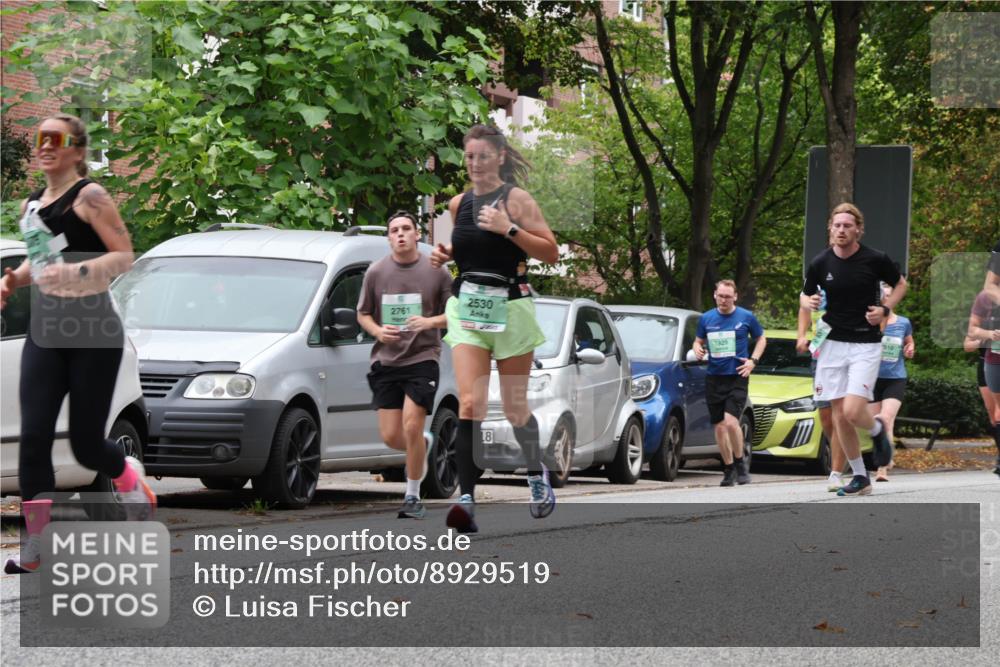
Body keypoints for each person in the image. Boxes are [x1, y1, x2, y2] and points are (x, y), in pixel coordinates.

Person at [0, 114, 155, 574]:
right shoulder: (33, 203)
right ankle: (35, 545)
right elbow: (42, 263)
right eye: (39, 138)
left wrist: (80, 272)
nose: (44, 146)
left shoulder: (91, 197)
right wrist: (11, 281)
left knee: (87, 446)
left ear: (77, 150)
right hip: (46, 335)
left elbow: (124, 256)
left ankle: (127, 474)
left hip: (93, 334)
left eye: (56, 138)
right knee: (34, 439)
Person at [430, 124, 559, 533]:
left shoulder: (516, 199)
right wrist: (446, 254)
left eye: (483, 156)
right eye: (469, 157)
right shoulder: (457, 204)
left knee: (516, 407)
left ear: (500, 157)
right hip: (469, 308)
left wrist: (510, 229)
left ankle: (536, 476)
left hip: (512, 309)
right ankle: (466, 501)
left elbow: (551, 252)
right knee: (470, 404)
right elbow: (466, 250)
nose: (475, 164)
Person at [800, 202, 907, 497]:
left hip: (865, 343)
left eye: (847, 225)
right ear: (830, 229)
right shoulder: (820, 263)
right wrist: (807, 304)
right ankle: (860, 476)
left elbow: (900, 285)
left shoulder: (875, 259)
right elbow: (806, 293)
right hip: (832, 343)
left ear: (858, 229)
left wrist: (885, 309)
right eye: (837, 225)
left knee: (851, 409)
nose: (841, 230)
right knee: (839, 414)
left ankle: (875, 431)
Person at [356, 211, 452, 519]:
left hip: (424, 357)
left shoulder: (437, 272)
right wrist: (377, 331)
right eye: (394, 230)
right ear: (388, 238)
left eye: (406, 229)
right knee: (391, 436)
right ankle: (421, 444)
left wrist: (429, 322)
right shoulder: (376, 272)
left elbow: (455, 313)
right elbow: (363, 314)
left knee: (412, 423)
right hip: (386, 360)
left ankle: (412, 497)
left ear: (416, 235)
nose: (400, 234)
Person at [693, 279, 766, 486]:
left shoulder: (746, 317)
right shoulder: (706, 318)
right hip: (714, 378)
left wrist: (753, 361)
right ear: (715, 295)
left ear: (735, 297)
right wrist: (697, 347)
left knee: (731, 422)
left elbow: (761, 338)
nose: (723, 300)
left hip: (737, 376)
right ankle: (728, 469)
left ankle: (740, 462)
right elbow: (698, 340)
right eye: (720, 296)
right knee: (719, 427)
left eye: (727, 296)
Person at [796, 290, 847, 491]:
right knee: (825, 417)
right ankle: (845, 450)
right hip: (820, 355)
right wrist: (801, 336)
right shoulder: (817, 281)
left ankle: (836, 473)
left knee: (839, 415)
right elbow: (804, 306)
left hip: (846, 352)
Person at [868, 283, 915, 482]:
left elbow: (910, 342)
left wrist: (910, 349)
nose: (886, 299)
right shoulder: (868, 322)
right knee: (876, 425)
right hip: (871, 379)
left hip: (895, 378)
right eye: (883, 296)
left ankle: (881, 468)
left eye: (889, 295)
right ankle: (888, 454)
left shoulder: (903, 323)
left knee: (884, 419)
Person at [968, 287, 1000, 476]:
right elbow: (968, 341)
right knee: (994, 413)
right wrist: (988, 337)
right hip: (988, 363)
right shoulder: (987, 314)